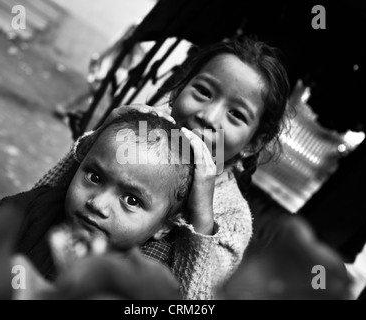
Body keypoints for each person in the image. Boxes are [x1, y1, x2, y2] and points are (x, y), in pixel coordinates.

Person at [36, 36, 291, 299]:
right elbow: (42, 199)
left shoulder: (232, 218)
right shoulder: (139, 137)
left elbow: (194, 300)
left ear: (254, 143)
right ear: (178, 91)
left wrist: (202, 214)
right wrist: (99, 137)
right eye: (203, 92)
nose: (208, 116)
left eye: (236, 114)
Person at [0, 111, 194, 283]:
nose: (97, 204)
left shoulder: (137, 288)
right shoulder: (40, 207)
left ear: (164, 226)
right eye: (94, 177)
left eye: (131, 201)